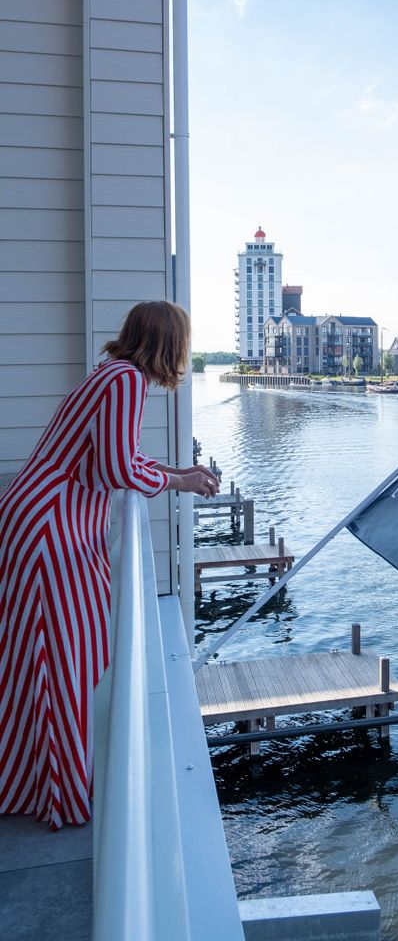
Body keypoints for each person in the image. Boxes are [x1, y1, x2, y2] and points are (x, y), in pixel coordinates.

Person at [0, 300, 217, 830]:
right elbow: (117, 467)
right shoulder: (125, 383)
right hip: (53, 528)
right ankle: (66, 791)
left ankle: (29, 781)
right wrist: (181, 482)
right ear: (169, 343)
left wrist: (174, 469)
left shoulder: (110, 374)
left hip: (40, 519)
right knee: (68, 654)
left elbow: (106, 460)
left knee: (42, 652)